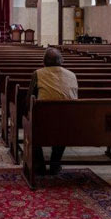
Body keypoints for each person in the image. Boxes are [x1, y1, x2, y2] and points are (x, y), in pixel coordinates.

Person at [29, 48, 79, 176]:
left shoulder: (38, 74)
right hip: (69, 123)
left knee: (32, 122)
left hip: (43, 123)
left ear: (44, 62)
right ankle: (55, 163)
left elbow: (30, 98)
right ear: (61, 61)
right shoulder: (72, 75)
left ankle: (40, 164)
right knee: (63, 120)